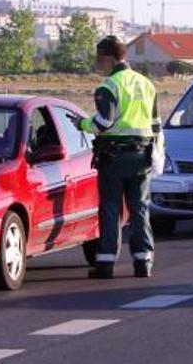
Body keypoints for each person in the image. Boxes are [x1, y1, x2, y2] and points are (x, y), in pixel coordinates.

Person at [69, 35, 163, 279]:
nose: (99, 65)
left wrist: (82, 123)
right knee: (139, 207)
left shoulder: (109, 86)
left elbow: (103, 122)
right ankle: (143, 261)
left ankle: (106, 263)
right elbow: (156, 124)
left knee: (111, 208)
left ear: (109, 58)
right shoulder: (146, 84)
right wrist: (157, 154)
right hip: (142, 155)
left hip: (114, 157)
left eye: (100, 59)